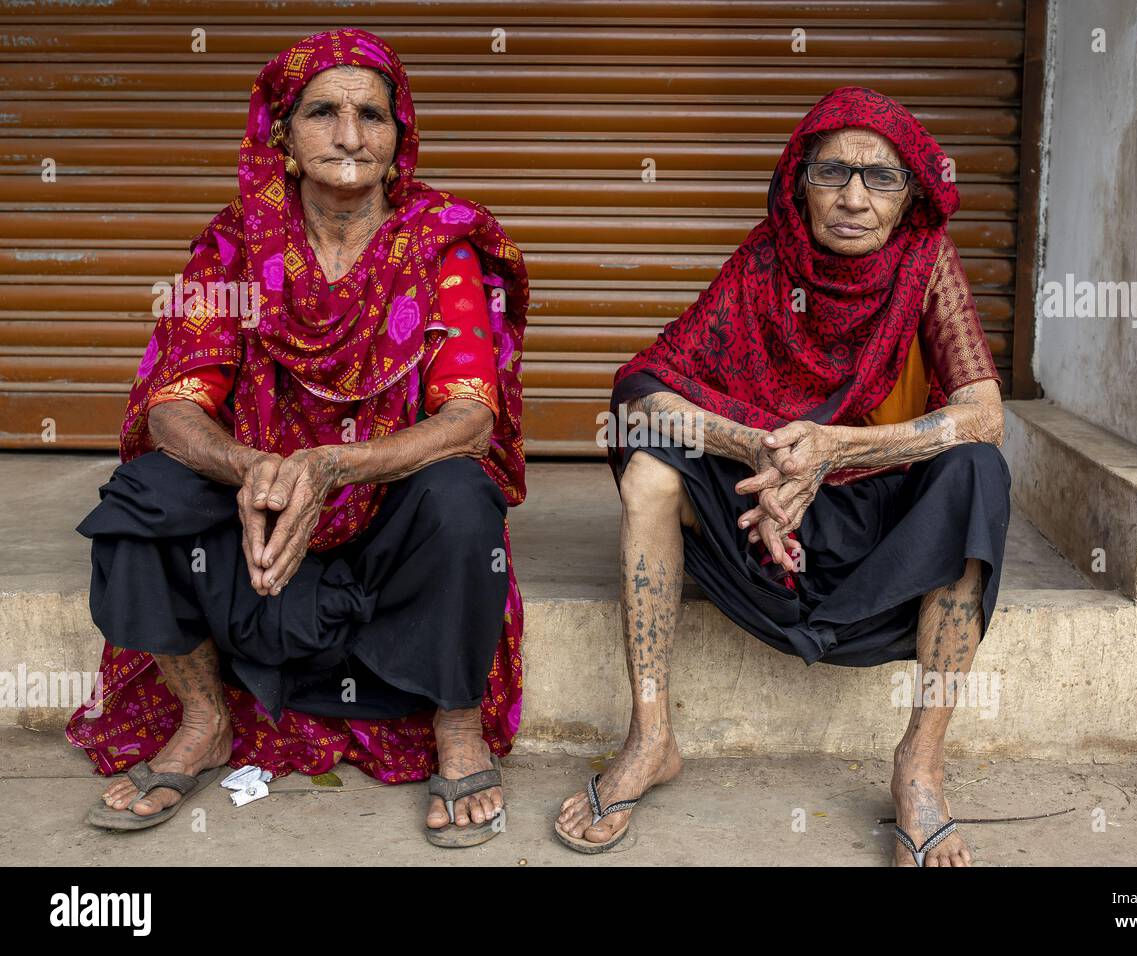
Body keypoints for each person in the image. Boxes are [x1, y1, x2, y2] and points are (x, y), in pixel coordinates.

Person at [69, 28, 528, 847]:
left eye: (372, 116)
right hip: (260, 519)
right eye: (323, 112)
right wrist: (256, 470)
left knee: (463, 499)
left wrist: (331, 466)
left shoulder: (439, 244)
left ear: (399, 136)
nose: (350, 137)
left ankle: (457, 731)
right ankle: (206, 719)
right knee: (142, 494)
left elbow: (470, 415)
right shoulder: (232, 247)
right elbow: (174, 404)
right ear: (279, 136)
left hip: (389, 519)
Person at [555, 87, 1010, 866]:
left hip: (876, 515)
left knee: (979, 472)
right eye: (832, 173)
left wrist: (838, 450)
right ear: (798, 183)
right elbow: (643, 384)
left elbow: (983, 411)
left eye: (882, 179)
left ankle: (920, 766)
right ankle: (652, 735)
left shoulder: (926, 265)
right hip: (755, 502)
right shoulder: (765, 262)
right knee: (650, 460)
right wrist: (757, 446)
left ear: (912, 198)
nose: (855, 199)